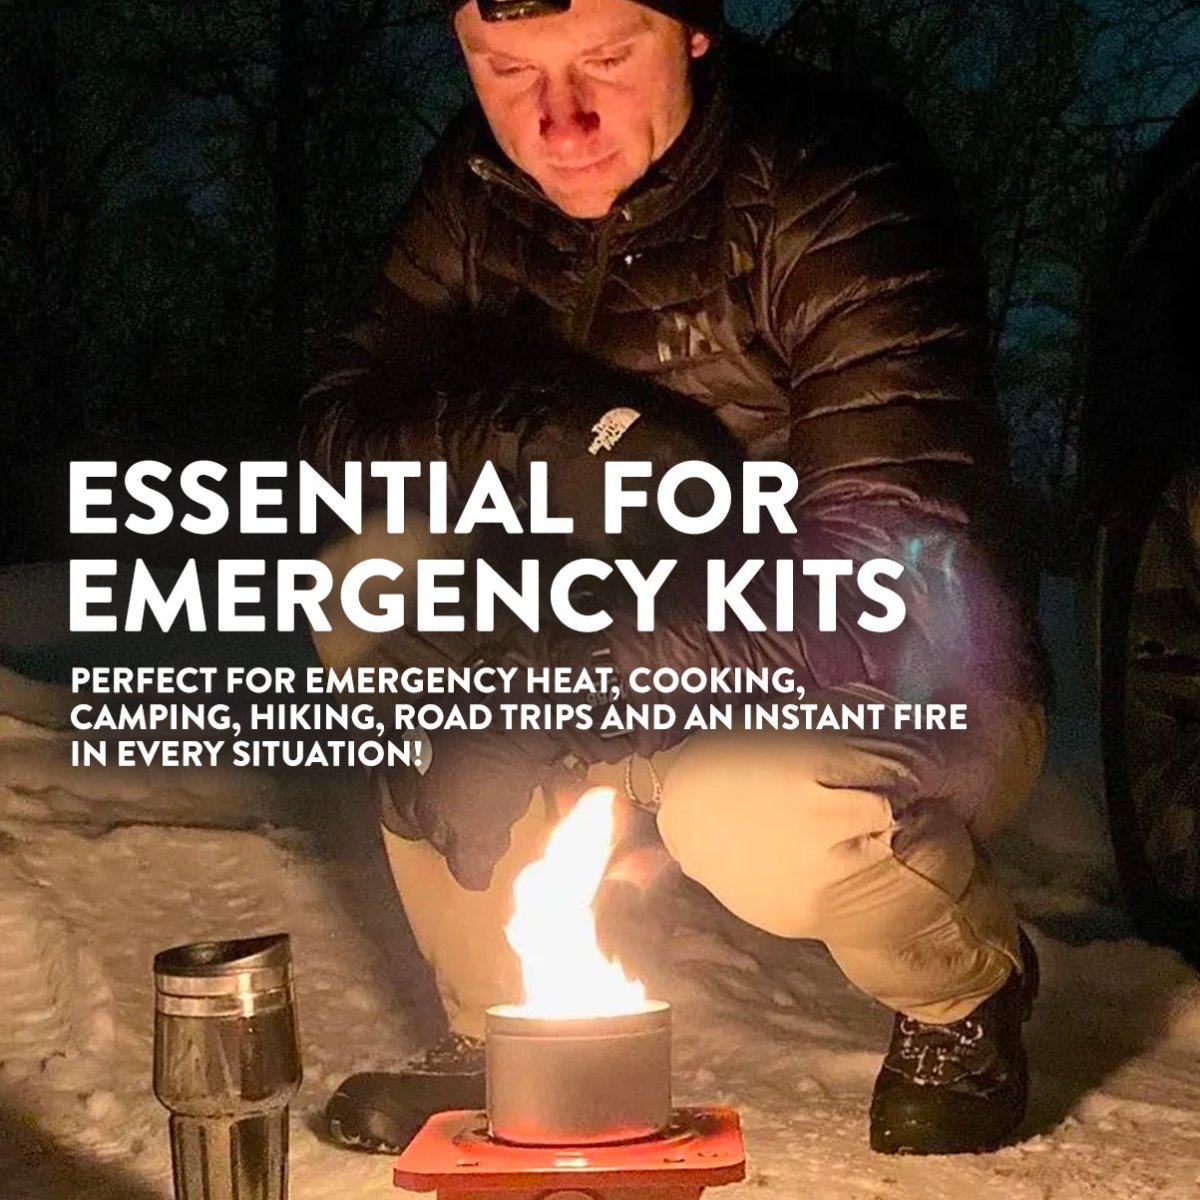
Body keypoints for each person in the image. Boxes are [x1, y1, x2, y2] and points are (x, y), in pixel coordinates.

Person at [299, 0, 1046, 1158]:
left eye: (606, 59)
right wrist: (541, 432)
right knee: (376, 583)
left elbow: (885, 571)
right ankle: (501, 1023)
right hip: (608, 649)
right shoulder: (475, 187)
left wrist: (548, 694)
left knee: (744, 812)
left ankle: (963, 992)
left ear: (694, 29)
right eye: (508, 69)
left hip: (884, 674)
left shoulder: (832, 185)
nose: (560, 122)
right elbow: (339, 428)